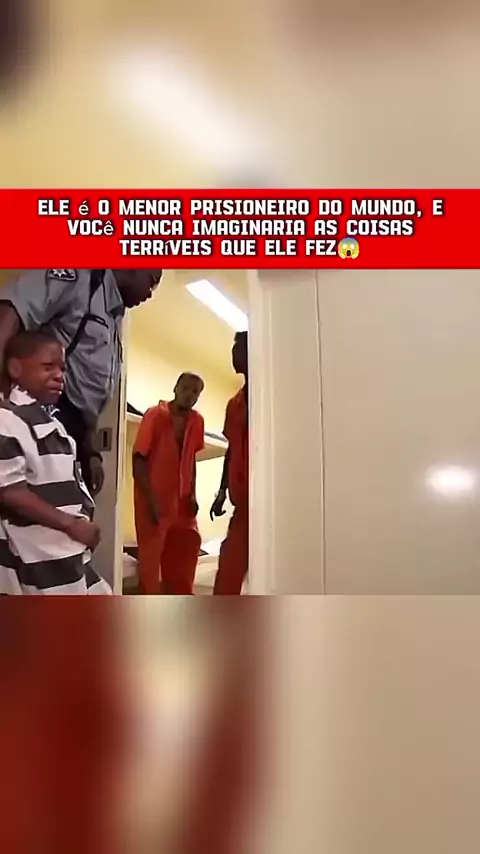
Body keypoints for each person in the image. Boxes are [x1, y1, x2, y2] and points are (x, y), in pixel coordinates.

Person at [0, 268, 162, 495]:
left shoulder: (114, 317)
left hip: (75, 428)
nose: (151, 293)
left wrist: (91, 450)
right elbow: (12, 309)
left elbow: (88, 396)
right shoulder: (78, 277)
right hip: (46, 414)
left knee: (71, 503)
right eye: (152, 281)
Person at [0, 330, 110, 595]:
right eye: (48, 367)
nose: (59, 375)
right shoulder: (7, 421)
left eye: (62, 369)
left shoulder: (52, 423)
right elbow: (10, 492)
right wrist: (71, 524)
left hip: (66, 550)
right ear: (15, 368)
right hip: (40, 556)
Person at [133, 372, 205, 594]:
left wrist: (192, 493)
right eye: (186, 388)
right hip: (154, 499)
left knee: (188, 547)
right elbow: (138, 460)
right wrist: (151, 501)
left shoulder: (197, 421)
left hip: (182, 500)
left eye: (195, 392)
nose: (189, 395)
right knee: (152, 560)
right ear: (175, 388)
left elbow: (191, 459)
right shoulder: (155, 415)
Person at [210, 331, 249, 595]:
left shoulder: (273, 396)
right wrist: (222, 491)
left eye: (240, 349)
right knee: (228, 574)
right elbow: (232, 449)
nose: (234, 354)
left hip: (272, 505)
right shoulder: (234, 405)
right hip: (242, 504)